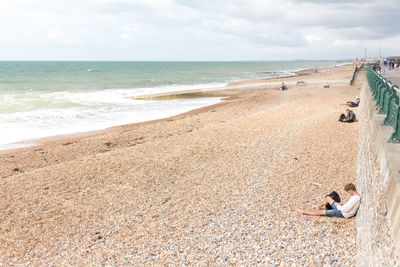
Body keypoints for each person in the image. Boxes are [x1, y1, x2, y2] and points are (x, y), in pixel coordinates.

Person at [295, 183, 361, 218]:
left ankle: (304, 212)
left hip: (343, 213)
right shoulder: (355, 197)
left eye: (348, 191)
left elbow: (344, 210)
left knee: (320, 212)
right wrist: (342, 204)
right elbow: (348, 206)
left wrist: (337, 205)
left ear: (350, 190)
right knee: (328, 198)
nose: (348, 193)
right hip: (341, 208)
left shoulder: (355, 198)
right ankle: (318, 205)